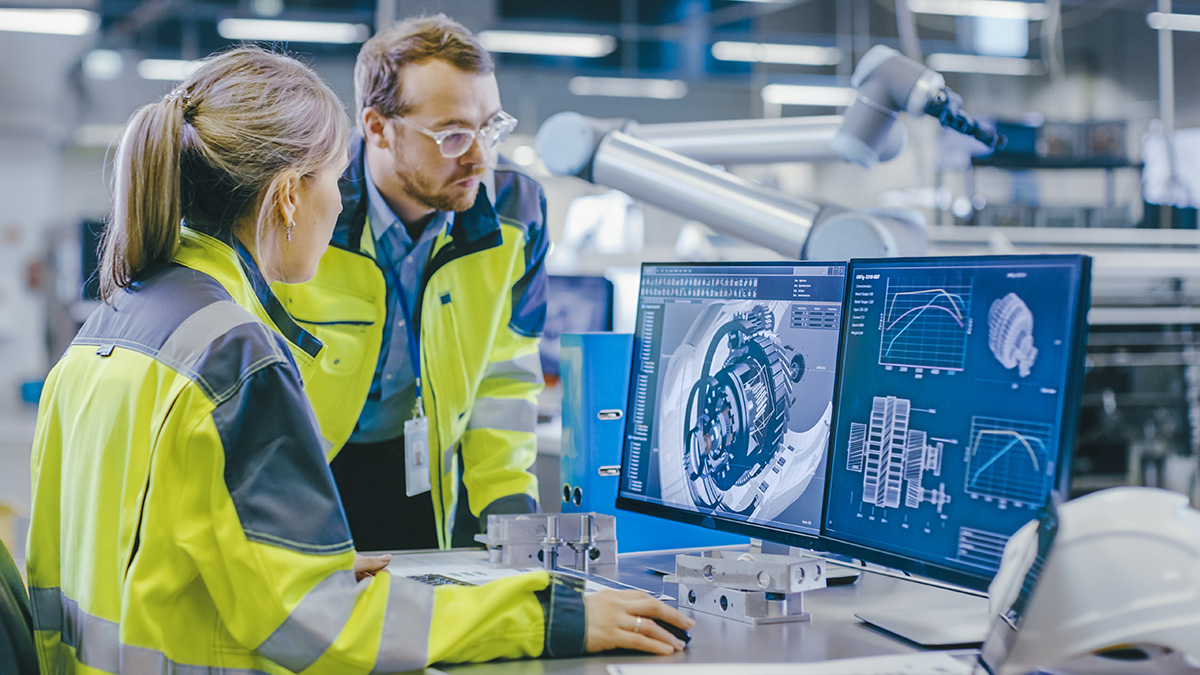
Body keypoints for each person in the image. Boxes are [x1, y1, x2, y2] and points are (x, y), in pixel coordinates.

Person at [26, 46, 692, 673]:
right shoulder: (233, 357)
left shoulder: (108, 330)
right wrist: (550, 616)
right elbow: (326, 632)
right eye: (333, 180)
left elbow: (139, 557)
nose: (342, 200)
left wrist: (296, 570)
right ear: (288, 196)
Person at [273, 14, 549, 551]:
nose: (480, 156)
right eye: (452, 135)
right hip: (304, 478)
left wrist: (513, 525)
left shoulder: (517, 213)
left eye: (490, 128)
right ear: (377, 127)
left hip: (423, 477)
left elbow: (505, 378)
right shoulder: (304, 207)